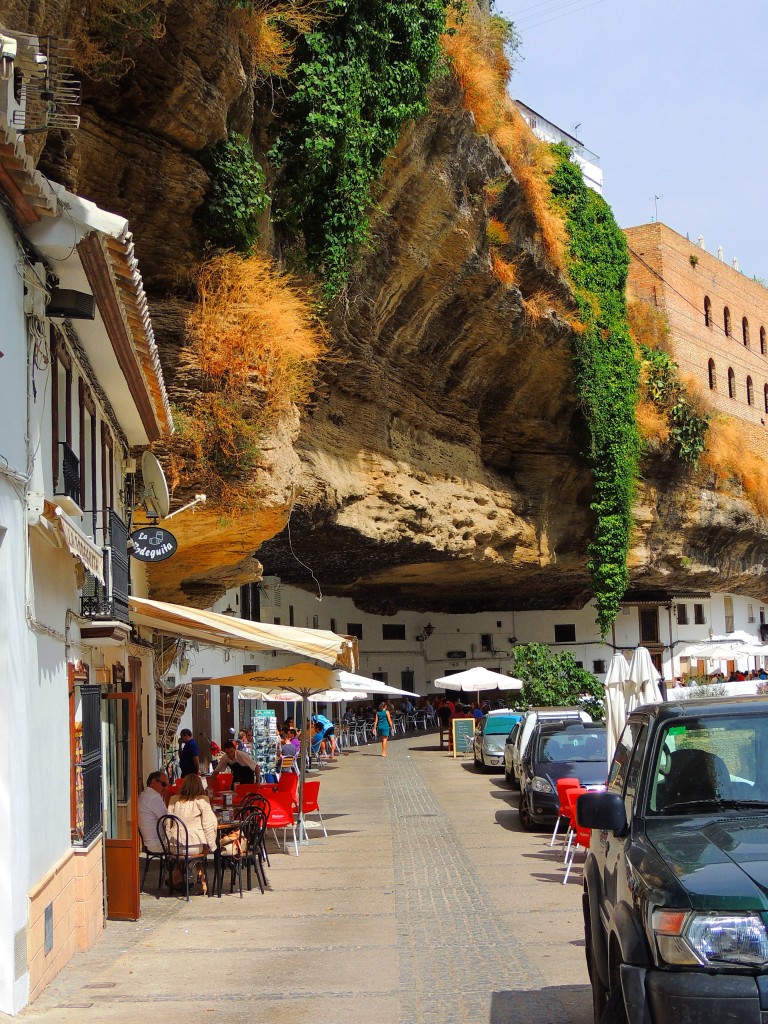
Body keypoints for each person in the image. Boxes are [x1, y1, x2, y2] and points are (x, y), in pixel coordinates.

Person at [167, 773, 217, 856]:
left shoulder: (174, 799)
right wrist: (212, 845)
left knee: (181, 858)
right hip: (194, 845)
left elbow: (168, 823)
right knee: (204, 850)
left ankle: (180, 867)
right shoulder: (202, 800)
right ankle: (197, 867)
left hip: (174, 845)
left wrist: (168, 841)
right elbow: (208, 825)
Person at [137, 770, 169, 853]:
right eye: (164, 784)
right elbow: (168, 821)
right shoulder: (153, 797)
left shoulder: (143, 795)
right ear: (154, 782)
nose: (166, 787)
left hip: (149, 843)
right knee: (186, 844)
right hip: (158, 844)